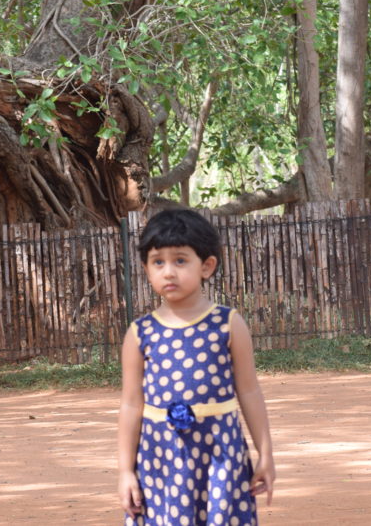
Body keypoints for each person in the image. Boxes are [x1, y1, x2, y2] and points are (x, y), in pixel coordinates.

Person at [117, 208, 275, 525]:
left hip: (221, 453)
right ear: (146, 270)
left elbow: (249, 390)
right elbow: (132, 404)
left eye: (180, 260)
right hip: (161, 458)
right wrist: (125, 471)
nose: (168, 272)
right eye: (157, 262)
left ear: (206, 266)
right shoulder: (139, 334)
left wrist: (266, 453)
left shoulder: (229, 324)